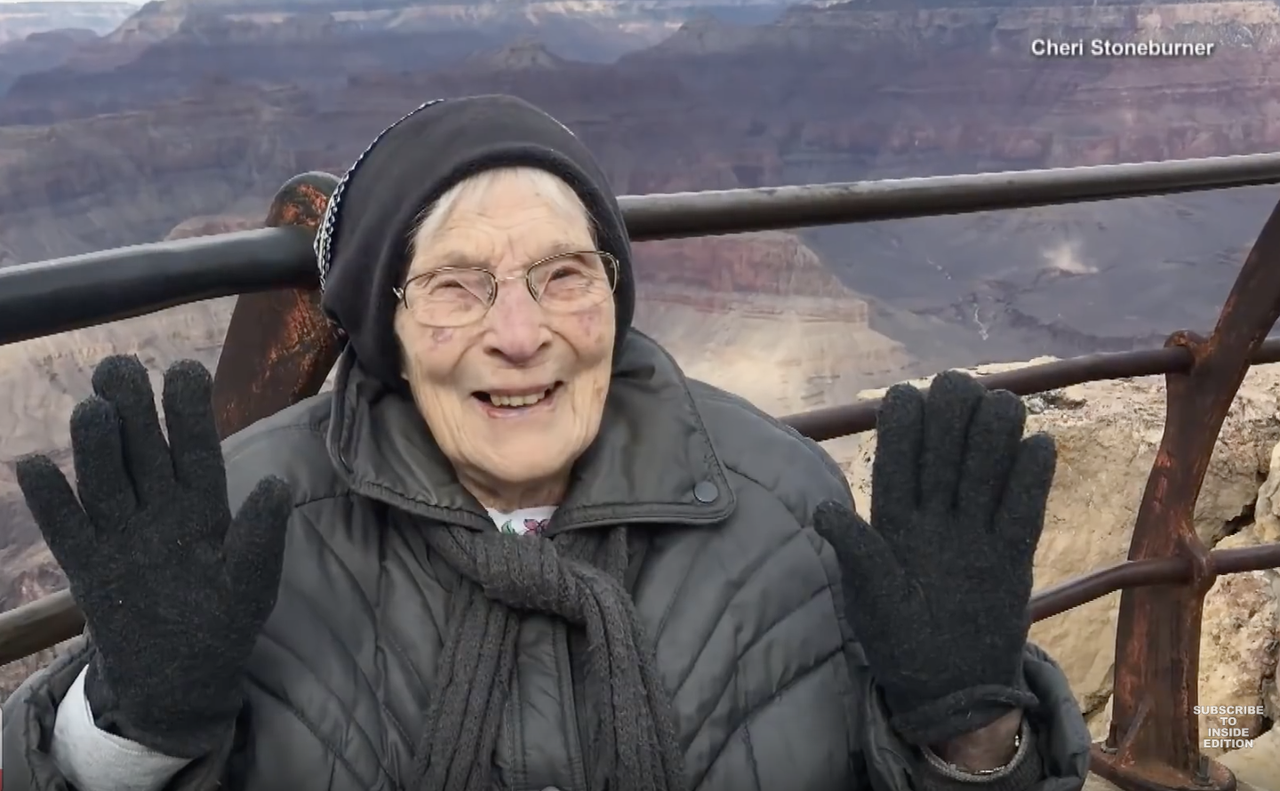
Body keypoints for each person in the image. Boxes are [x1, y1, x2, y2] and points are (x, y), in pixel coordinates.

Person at [1, 94, 1090, 791]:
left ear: (613, 294)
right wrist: (130, 729)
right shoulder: (253, 518)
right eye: (456, 285)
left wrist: (971, 736)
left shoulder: (779, 499)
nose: (517, 335)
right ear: (383, 322)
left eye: (562, 275)